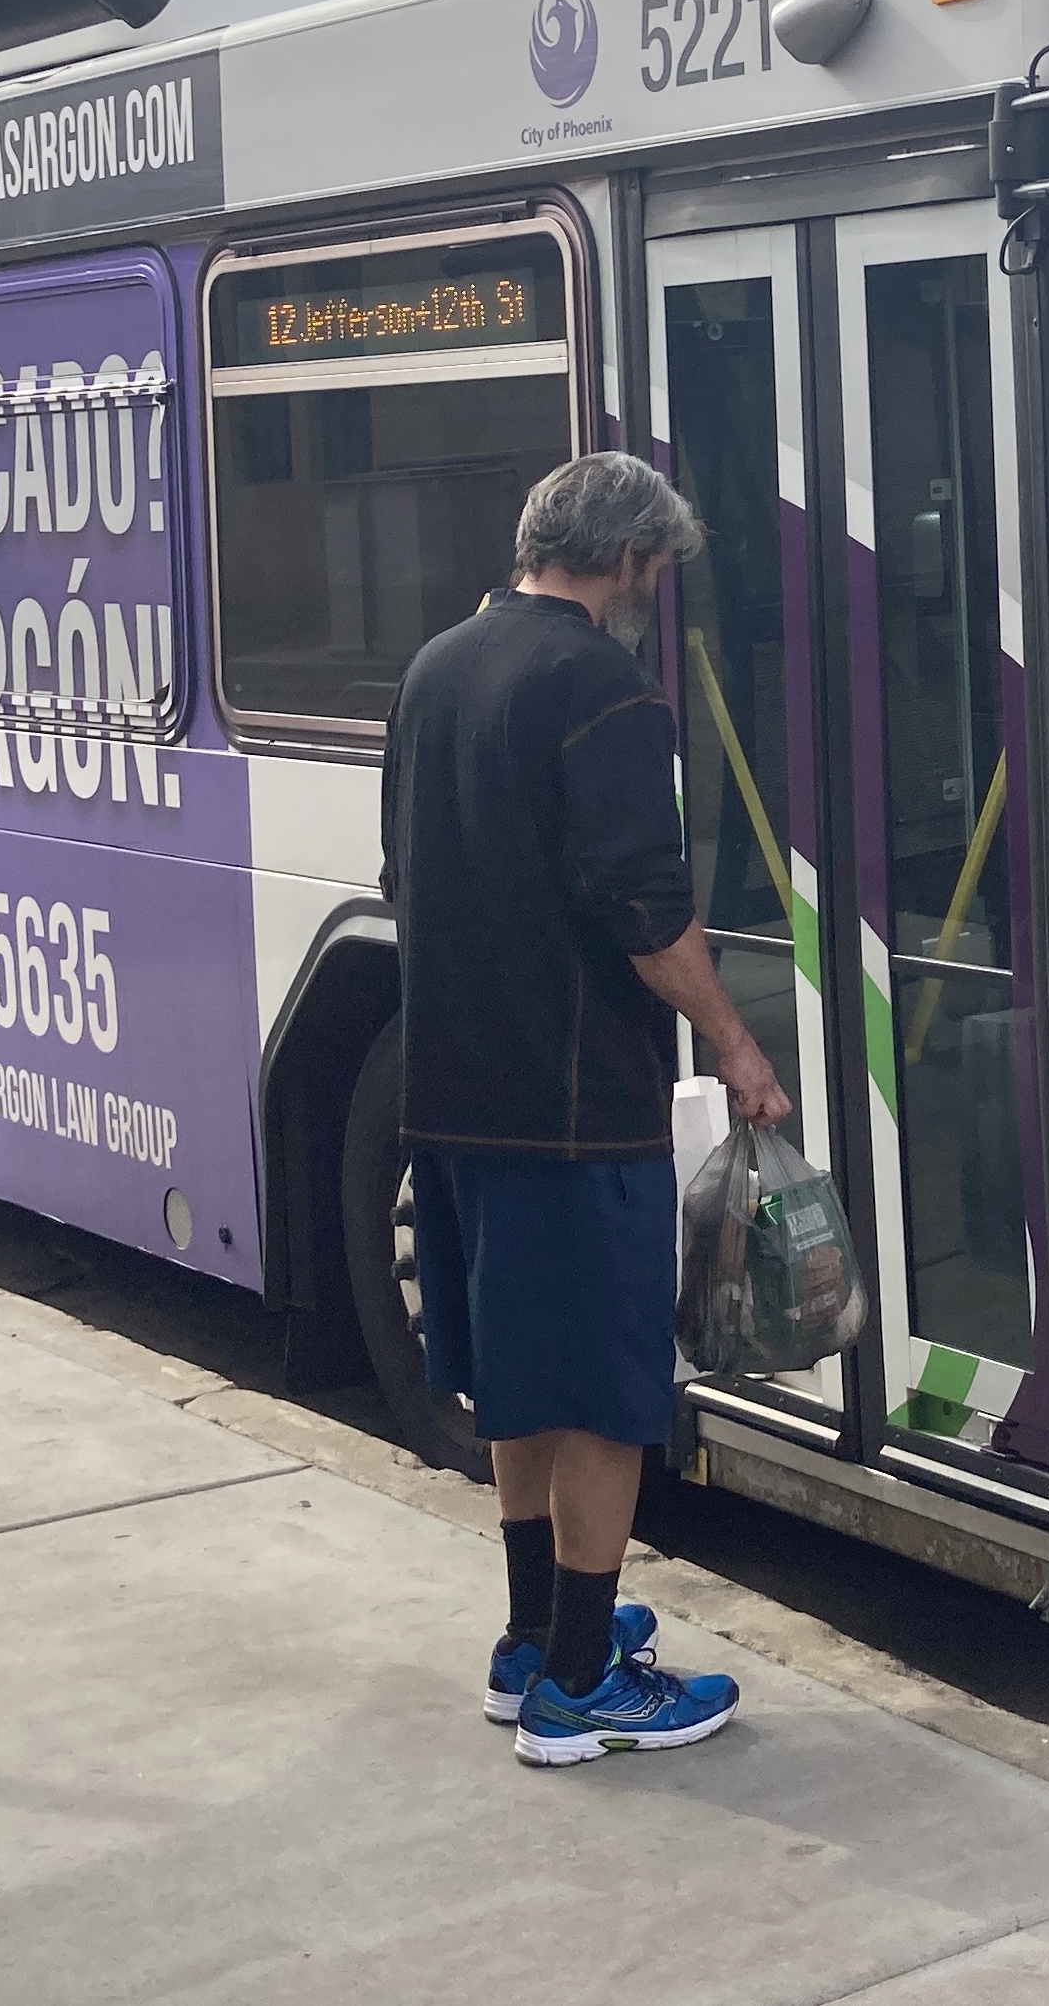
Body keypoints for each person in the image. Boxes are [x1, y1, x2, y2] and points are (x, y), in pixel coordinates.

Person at [381, 451, 792, 1768]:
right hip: (572, 1109)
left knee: (516, 1382)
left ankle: (529, 1640)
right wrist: (734, 1043)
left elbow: (405, 871)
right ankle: (576, 1686)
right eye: (653, 566)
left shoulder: (435, 666)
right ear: (621, 558)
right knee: (612, 1396)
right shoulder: (599, 689)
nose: (652, 589)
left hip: (449, 1096)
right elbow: (645, 912)